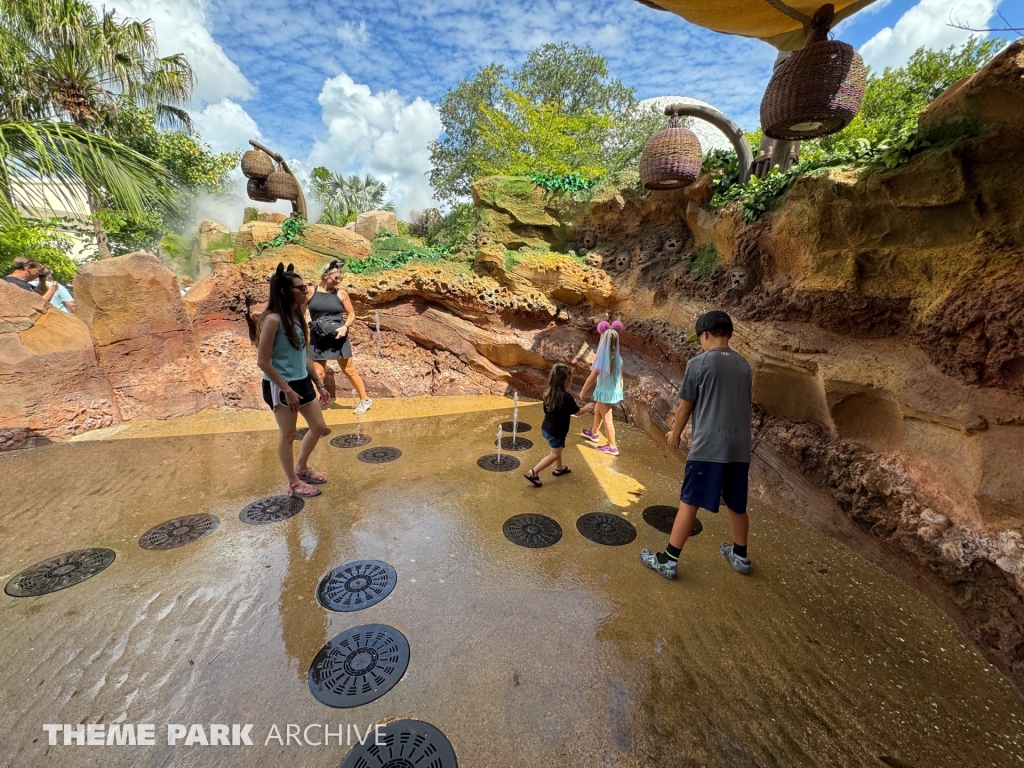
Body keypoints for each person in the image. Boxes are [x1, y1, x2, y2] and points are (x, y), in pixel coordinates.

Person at [640, 310, 753, 580]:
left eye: (699, 338)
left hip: (709, 447)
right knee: (737, 504)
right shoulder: (745, 365)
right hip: (739, 447)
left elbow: (685, 407)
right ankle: (740, 556)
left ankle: (668, 560)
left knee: (689, 502)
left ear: (705, 334)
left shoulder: (699, 363)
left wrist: (675, 433)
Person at [256, 263, 332, 498]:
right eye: (299, 288)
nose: (304, 291)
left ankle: (302, 467)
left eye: (304, 286)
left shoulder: (297, 317)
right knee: (288, 435)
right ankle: (293, 481)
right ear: (283, 292)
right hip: (281, 386)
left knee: (318, 426)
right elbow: (263, 361)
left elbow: (303, 355)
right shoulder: (273, 320)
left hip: (301, 382)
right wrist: (286, 390)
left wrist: (319, 384)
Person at [307, 260, 372, 415]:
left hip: (338, 336)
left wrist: (345, 327)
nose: (338, 281)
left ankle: (365, 400)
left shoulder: (341, 293)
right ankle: (315, 406)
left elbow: (351, 314)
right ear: (324, 276)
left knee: (349, 370)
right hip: (318, 337)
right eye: (335, 278)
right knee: (318, 373)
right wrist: (307, 325)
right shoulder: (310, 291)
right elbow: (301, 310)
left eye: (340, 278)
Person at [524, 363, 595, 487]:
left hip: (546, 427)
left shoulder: (548, 392)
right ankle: (534, 472)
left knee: (558, 449)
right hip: (556, 432)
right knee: (554, 454)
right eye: (570, 379)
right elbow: (577, 413)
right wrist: (587, 407)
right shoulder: (566, 397)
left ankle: (559, 468)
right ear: (566, 381)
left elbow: (546, 411)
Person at [579, 320, 624, 456]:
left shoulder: (602, 359)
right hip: (611, 391)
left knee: (608, 420)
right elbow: (621, 377)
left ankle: (612, 447)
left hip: (605, 393)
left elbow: (592, 377)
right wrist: (620, 389)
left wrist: (583, 391)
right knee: (598, 410)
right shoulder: (617, 358)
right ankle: (594, 433)